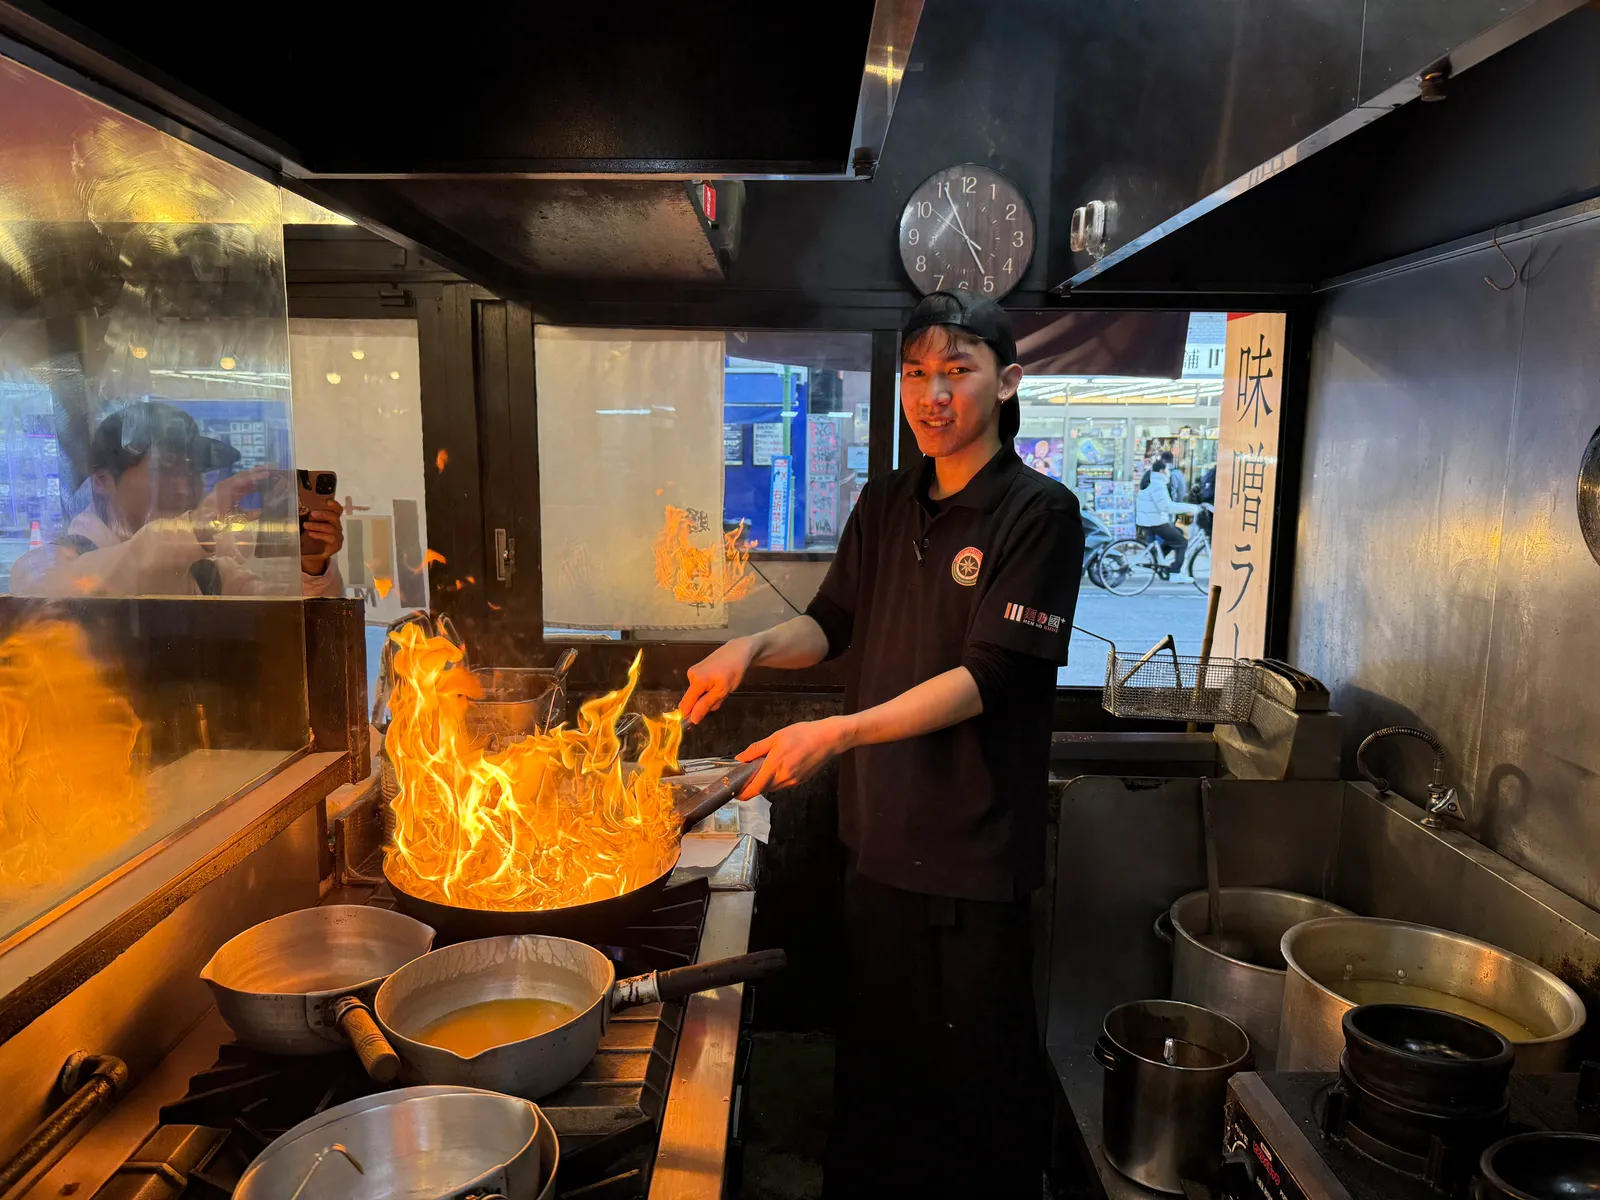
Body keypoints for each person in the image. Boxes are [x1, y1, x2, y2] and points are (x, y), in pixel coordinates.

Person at [678, 291, 1083, 1198]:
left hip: (972, 864)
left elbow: (992, 678)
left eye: (957, 372)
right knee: (875, 1088)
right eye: (916, 374)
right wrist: (750, 646)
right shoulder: (887, 498)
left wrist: (840, 730)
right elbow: (830, 624)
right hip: (878, 853)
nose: (932, 395)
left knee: (973, 1106)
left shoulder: (1039, 514)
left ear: (1008, 382)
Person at [10, 400, 344, 598]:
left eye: (192, 470)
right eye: (164, 470)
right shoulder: (48, 566)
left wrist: (313, 564)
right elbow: (66, 591)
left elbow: (285, 618)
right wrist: (196, 529)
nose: (185, 488)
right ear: (101, 480)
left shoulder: (207, 571)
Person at [1135, 457, 1189, 580]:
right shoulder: (1157, 484)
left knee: (1178, 533)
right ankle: (1175, 573)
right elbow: (1167, 506)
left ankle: (1161, 562)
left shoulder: (1152, 481)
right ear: (1161, 471)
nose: (1169, 472)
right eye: (1167, 469)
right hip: (1155, 522)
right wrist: (1191, 508)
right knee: (1181, 543)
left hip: (1151, 520)